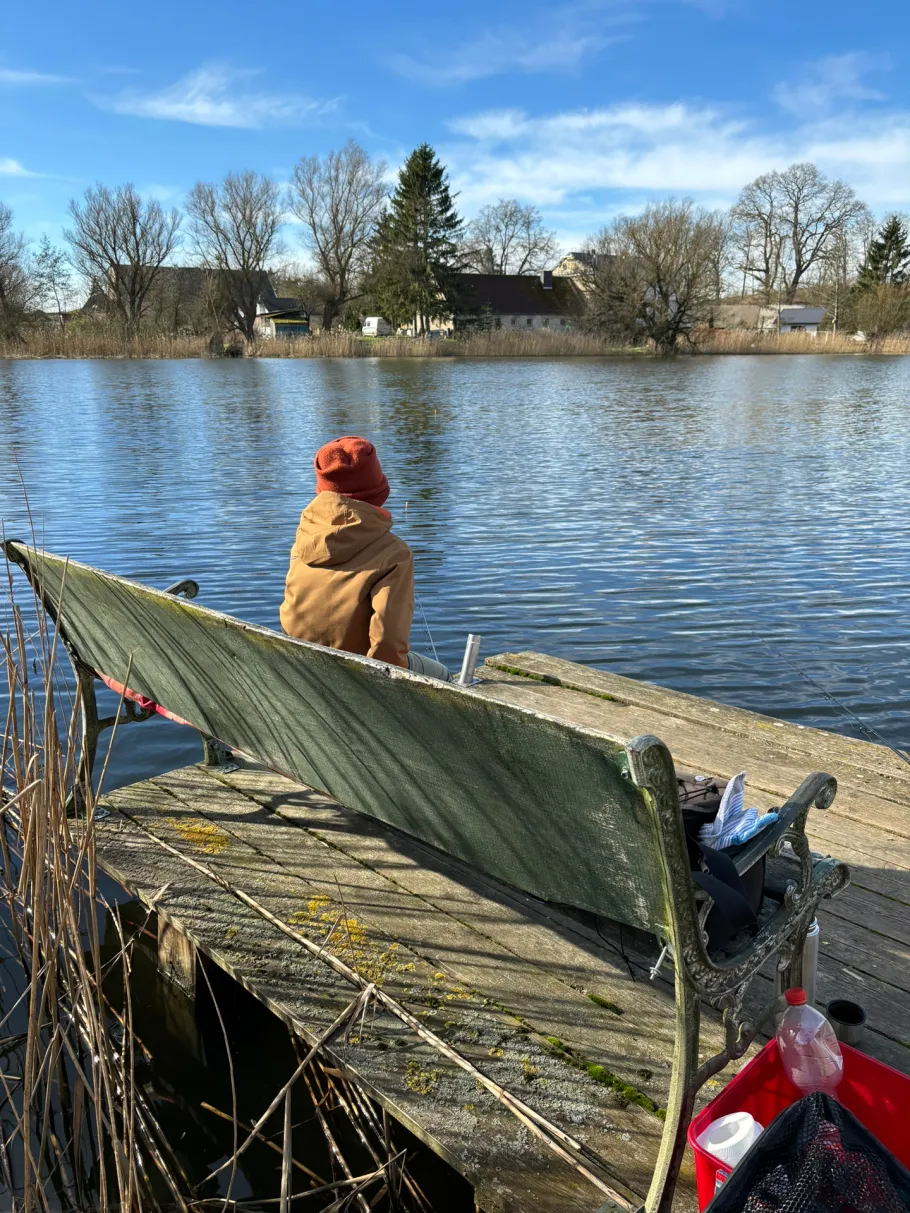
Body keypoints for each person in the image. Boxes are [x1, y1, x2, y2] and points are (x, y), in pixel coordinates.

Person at [279, 435, 450, 679]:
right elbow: (388, 647)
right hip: (360, 678)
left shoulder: (302, 541)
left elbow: (291, 617)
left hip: (302, 665)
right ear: (377, 490)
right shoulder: (395, 554)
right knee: (442, 674)